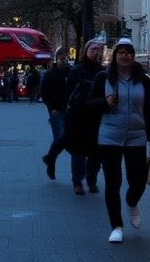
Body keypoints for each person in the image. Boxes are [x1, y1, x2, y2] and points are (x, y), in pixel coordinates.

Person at [88, 38, 150, 244]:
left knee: (138, 179)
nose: (124, 56)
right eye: (121, 52)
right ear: (115, 56)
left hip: (137, 136)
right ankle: (116, 226)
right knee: (113, 182)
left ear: (133, 56)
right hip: (109, 136)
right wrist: (105, 102)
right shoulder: (104, 77)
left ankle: (131, 201)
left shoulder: (143, 79)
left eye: (128, 52)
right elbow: (89, 103)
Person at [64, 38, 105, 195]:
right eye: (92, 49)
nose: (96, 53)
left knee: (97, 152)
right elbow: (69, 93)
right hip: (79, 116)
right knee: (79, 151)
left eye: (98, 50)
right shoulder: (77, 71)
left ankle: (91, 179)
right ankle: (77, 180)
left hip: (97, 116)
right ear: (86, 51)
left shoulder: (103, 71)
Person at [40, 47, 72, 179]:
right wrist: (51, 108)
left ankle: (50, 158)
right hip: (56, 111)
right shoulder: (50, 73)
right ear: (57, 59)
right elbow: (44, 92)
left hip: (70, 110)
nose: (64, 61)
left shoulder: (71, 71)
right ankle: (51, 160)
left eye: (66, 58)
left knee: (64, 139)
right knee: (60, 137)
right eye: (62, 58)